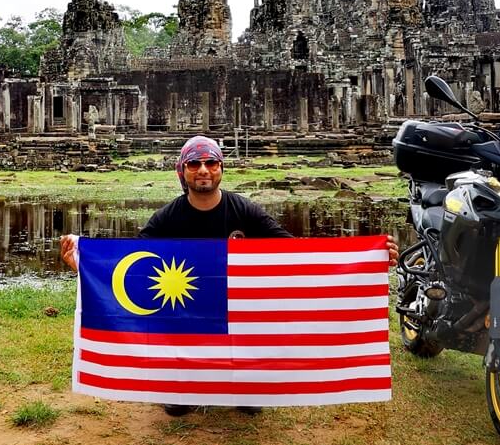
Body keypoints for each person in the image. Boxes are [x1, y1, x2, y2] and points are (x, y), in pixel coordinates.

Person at [60, 135, 400, 417]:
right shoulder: (167, 218)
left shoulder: (244, 210)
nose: (204, 170)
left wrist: (366, 260)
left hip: (239, 312)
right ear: (183, 172)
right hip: (187, 313)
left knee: (250, 398)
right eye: (194, 164)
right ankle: (185, 383)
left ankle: (245, 383)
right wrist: (87, 265)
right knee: (178, 408)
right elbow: (130, 265)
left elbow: (295, 253)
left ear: (221, 169)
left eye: (211, 163)